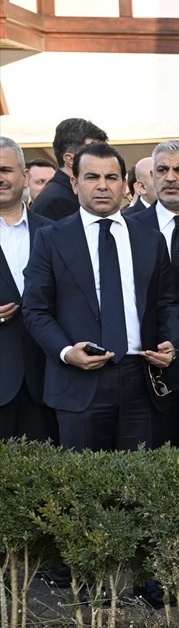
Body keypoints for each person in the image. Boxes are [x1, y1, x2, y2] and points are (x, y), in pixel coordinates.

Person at [22, 141, 179, 451]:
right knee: (83, 488)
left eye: (111, 178)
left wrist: (171, 344)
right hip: (78, 382)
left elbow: (167, 302)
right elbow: (36, 310)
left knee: (137, 488)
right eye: (92, 177)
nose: (102, 186)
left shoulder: (149, 239)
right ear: (74, 183)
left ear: (125, 185)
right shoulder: (50, 239)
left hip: (141, 379)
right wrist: (67, 352)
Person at [131, 140, 179, 447]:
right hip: (151, 363)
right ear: (151, 176)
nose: (170, 178)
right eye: (161, 170)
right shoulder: (128, 227)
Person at [0, 136, 56, 441]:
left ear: (24, 177)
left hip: (47, 381)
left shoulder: (53, 232)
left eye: (6, 170)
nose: (0, 178)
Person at [30, 118, 109, 221]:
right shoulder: (58, 201)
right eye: (93, 152)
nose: (103, 157)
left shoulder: (69, 192)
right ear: (70, 159)